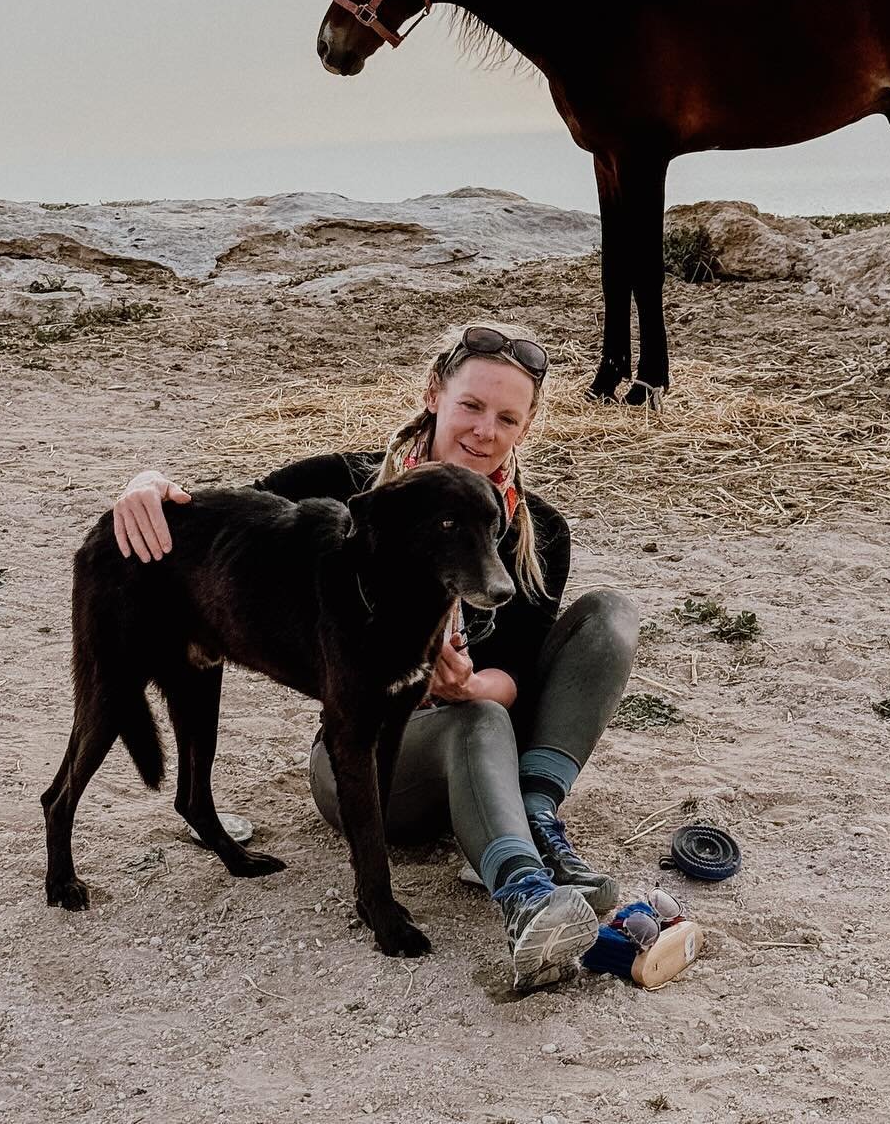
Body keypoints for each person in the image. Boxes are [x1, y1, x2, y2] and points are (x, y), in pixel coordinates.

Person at [112, 321, 638, 990]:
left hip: (486, 734)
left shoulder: (541, 530)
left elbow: (519, 673)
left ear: (525, 427)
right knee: (475, 721)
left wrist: (467, 680)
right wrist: (148, 481)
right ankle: (526, 892)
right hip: (364, 764)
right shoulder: (346, 485)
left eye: (507, 416)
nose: (485, 429)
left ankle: (532, 813)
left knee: (607, 618)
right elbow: (213, 517)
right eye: (471, 406)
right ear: (433, 394)